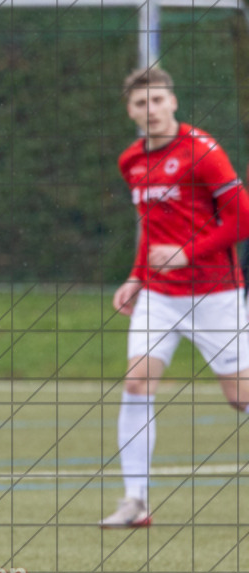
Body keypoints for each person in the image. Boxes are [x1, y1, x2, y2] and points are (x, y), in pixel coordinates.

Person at [104, 67, 249, 528]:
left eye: (159, 100)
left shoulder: (202, 151)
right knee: (137, 383)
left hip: (215, 293)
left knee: (239, 395)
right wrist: (135, 275)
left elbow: (242, 220)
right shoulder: (131, 161)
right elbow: (153, 227)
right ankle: (135, 502)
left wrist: (188, 253)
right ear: (130, 110)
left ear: (174, 101)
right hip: (159, 296)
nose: (152, 110)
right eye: (142, 104)